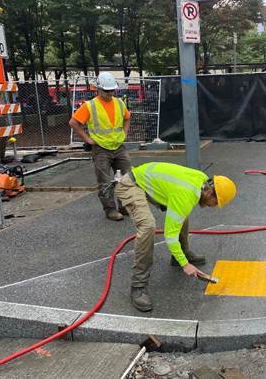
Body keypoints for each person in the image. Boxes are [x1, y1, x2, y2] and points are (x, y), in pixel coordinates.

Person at [114, 162, 237, 311]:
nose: (214, 206)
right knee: (147, 226)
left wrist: (181, 258)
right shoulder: (186, 195)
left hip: (147, 179)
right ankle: (138, 286)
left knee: (181, 214)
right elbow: (170, 235)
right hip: (131, 185)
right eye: (216, 202)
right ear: (210, 193)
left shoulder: (202, 180)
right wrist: (186, 265)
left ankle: (180, 255)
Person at [69, 72, 132, 221]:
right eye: (106, 91)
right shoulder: (90, 106)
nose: (110, 93)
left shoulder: (119, 103)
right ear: (98, 89)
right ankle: (110, 210)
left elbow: (127, 118)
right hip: (101, 149)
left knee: (126, 178)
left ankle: (124, 206)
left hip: (119, 146)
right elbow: (73, 123)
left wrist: (124, 133)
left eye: (112, 90)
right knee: (104, 181)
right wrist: (88, 140)